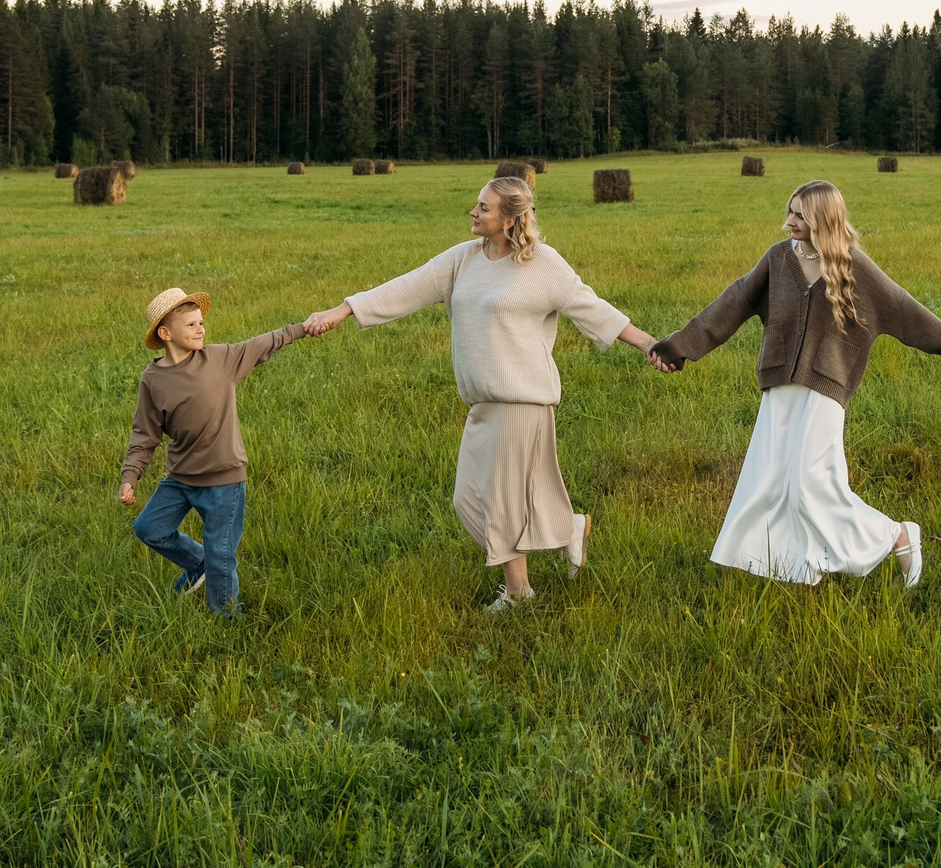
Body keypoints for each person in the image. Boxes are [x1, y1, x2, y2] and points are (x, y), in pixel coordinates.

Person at [302, 177, 655, 612]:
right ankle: (569, 529)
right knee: (468, 499)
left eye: (484, 208)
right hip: (481, 404)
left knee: (500, 503)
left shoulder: (542, 263)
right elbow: (406, 287)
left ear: (509, 219)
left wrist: (649, 345)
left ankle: (519, 593)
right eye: (477, 204)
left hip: (521, 401)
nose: (473, 212)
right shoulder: (463, 260)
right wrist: (343, 310)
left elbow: (593, 309)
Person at [647, 180, 941, 588]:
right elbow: (731, 304)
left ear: (823, 220)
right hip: (779, 386)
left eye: (799, 215)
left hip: (826, 388)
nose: (788, 222)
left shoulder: (855, 267)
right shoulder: (777, 260)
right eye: (789, 212)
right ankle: (792, 565)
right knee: (771, 482)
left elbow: (905, 311)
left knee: (812, 485)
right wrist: (678, 347)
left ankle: (896, 535)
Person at [119, 287, 308, 616]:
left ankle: (227, 617)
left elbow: (263, 343)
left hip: (224, 480)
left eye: (201, 323)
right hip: (181, 478)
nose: (201, 329)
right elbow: (145, 434)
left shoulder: (220, 359)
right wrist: (130, 476)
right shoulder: (153, 379)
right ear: (165, 334)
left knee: (221, 555)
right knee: (149, 529)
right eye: (191, 325)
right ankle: (198, 564)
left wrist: (305, 327)